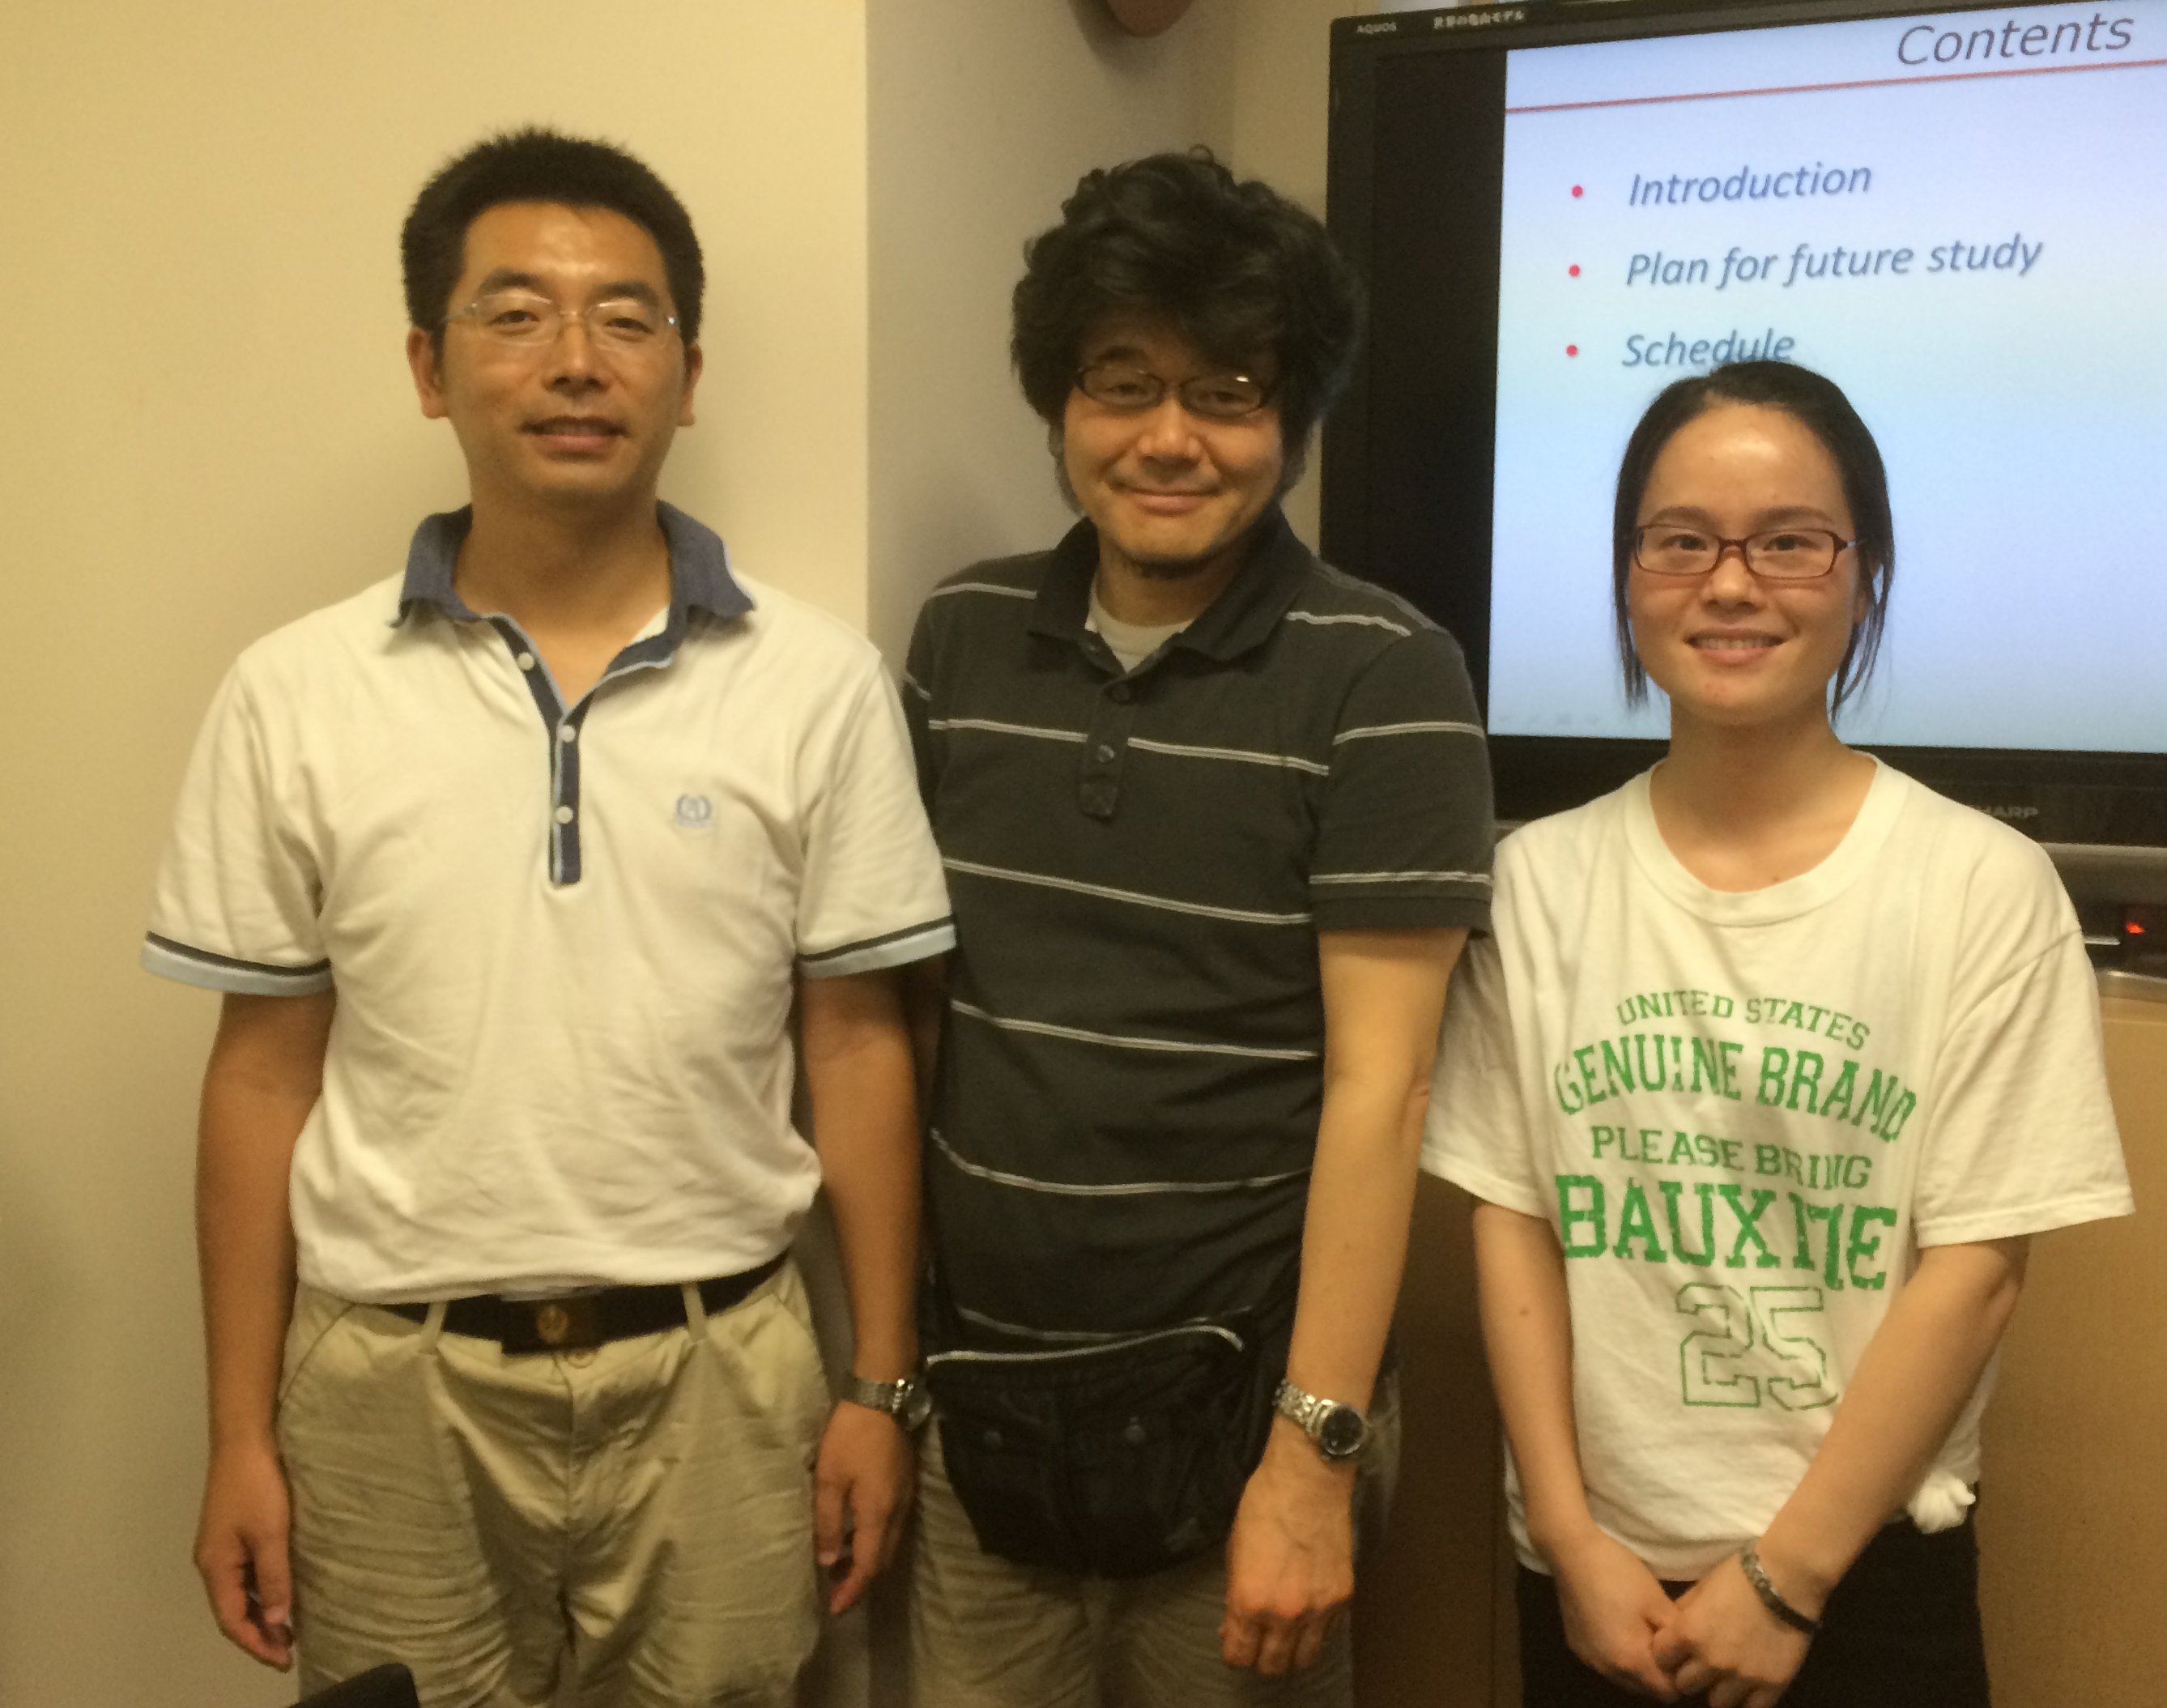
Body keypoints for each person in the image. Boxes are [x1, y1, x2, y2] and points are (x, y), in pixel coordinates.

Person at [141, 128, 952, 1708]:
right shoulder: (294, 691)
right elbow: (260, 1072)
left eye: (626, 318)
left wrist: (881, 1381)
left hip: (725, 1377)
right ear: (429, 366)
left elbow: (857, 1046)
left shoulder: (817, 683)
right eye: (515, 314)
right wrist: (237, 1432)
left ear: (687, 375)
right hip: (388, 1387)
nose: (576, 358)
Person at [1424, 360, 2134, 1708]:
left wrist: (1787, 1575)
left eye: (1790, 542)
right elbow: (1514, 1218)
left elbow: (1978, 1266)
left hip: (1866, 1571)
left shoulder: (1980, 885)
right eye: (1681, 540)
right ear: (1628, 574)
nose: (1732, 584)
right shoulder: (1538, 883)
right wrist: (1567, 1536)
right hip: (1597, 1581)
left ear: (1866, 575)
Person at [901, 150, 1495, 1706]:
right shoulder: (960, 639)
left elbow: (1385, 1089)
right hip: (983, 1414)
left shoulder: (1387, 673)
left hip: (1243, 1430)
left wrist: (1312, 1460)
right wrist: (886, 1376)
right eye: (1123, 382)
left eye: (1227, 391)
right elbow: (918, 1022)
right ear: (1059, 401)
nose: (1169, 437)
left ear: (1293, 418)